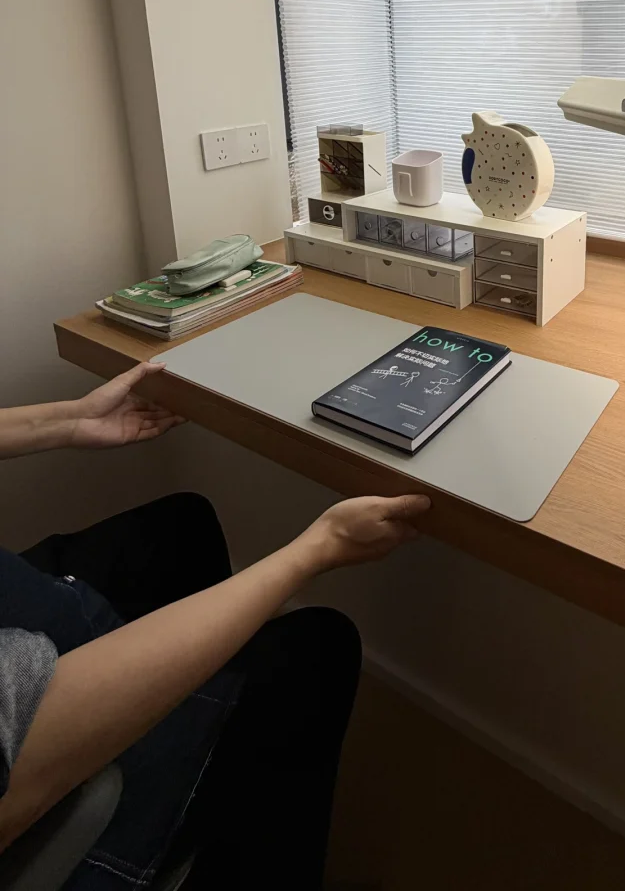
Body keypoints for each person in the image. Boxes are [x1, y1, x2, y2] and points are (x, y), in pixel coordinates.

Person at [0, 361, 430, 888]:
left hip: (25, 627)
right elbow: (34, 764)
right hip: (46, 750)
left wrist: (65, 420)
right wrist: (315, 550)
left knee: (181, 528)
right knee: (317, 649)